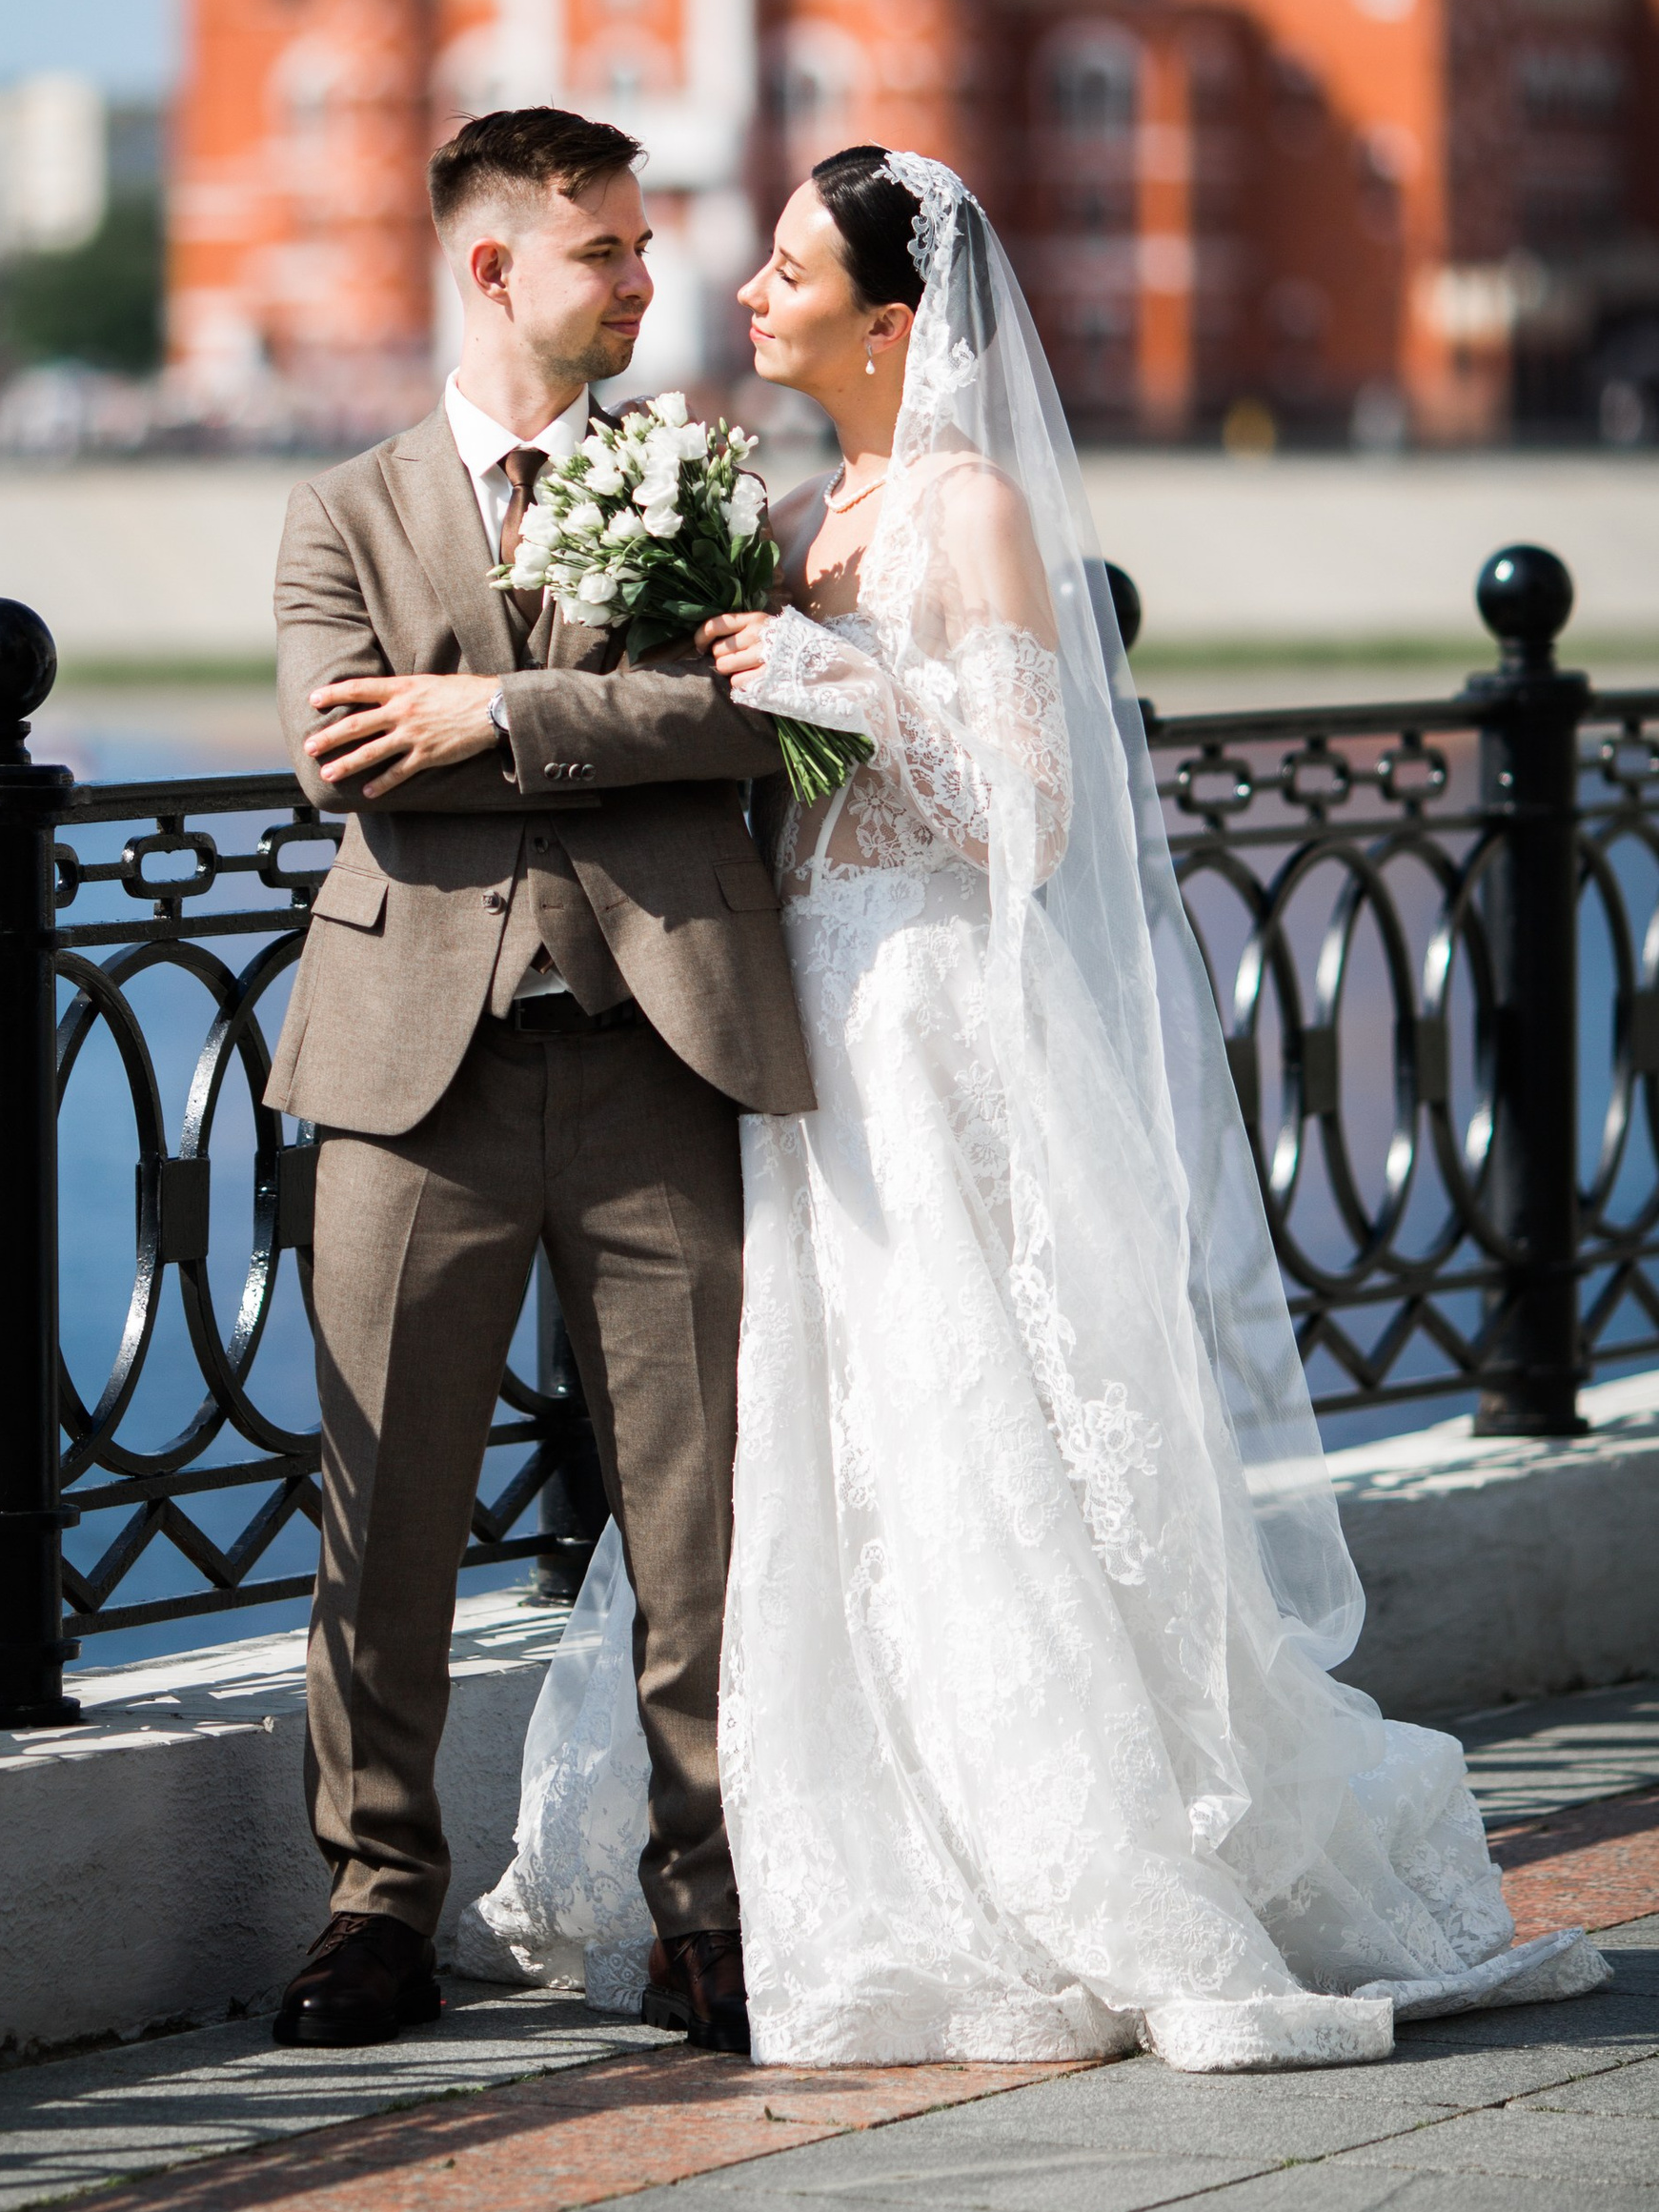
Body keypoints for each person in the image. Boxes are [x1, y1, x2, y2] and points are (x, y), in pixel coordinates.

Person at [461, 146, 1605, 2070]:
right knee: (828, 1440)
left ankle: (1077, 1858)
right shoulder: (804, 513)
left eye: (792, 269)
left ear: (890, 319)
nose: (747, 292)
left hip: (923, 1016)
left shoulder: (967, 512)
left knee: (966, 1411)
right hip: (799, 1026)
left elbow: (1027, 811)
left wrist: (838, 687)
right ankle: (868, 1852)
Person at [264, 105, 813, 2056]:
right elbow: (342, 760)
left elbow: (746, 723)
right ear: (493, 265)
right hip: (411, 1079)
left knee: (698, 1518)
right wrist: (598, 728)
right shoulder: (342, 513)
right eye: (608, 252)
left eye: (645, 248)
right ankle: (373, 1907)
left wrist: (485, 706)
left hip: (664, 1051)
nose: (645, 281)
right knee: (380, 1511)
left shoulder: (702, 477)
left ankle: (707, 1909)